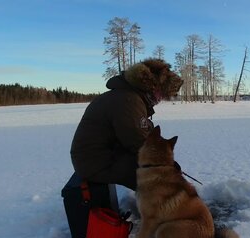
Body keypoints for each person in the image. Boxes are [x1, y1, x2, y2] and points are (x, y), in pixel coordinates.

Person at [70, 58, 183, 190]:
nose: (160, 99)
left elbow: (143, 133)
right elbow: (137, 140)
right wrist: (164, 162)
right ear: (152, 86)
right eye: (161, 94)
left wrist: (164, 150)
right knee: (157, 177)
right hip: (95, 162)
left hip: (100, 157)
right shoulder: (128, 101)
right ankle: (164, 207)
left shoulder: (129, 96)